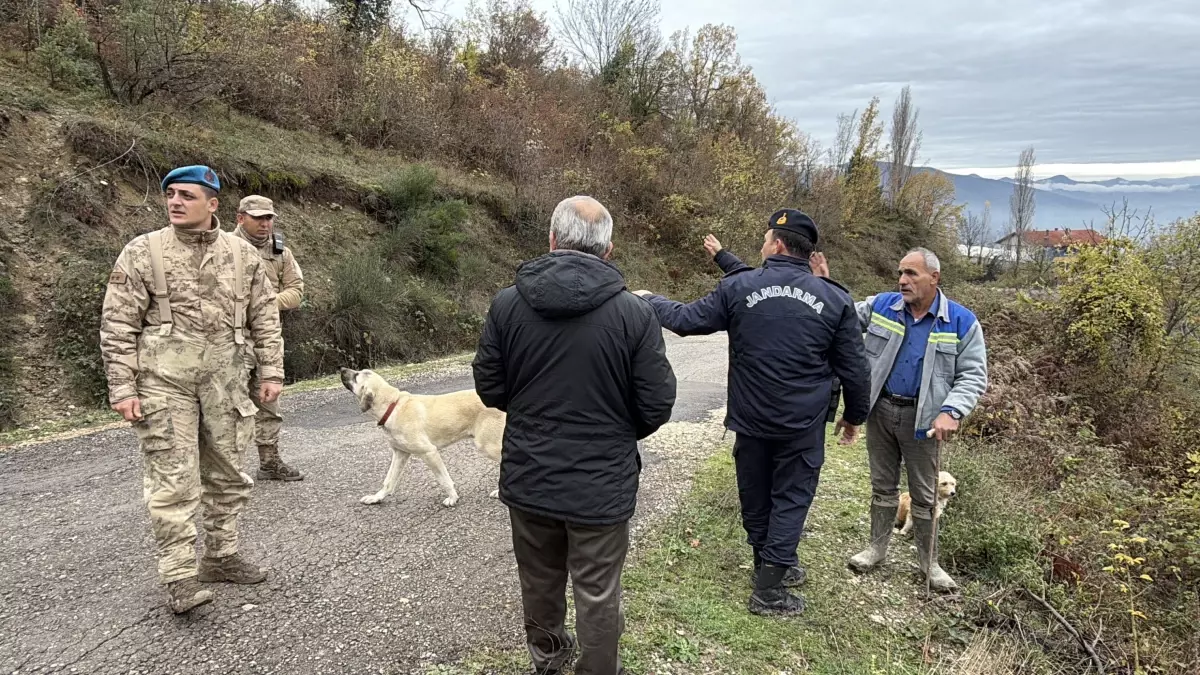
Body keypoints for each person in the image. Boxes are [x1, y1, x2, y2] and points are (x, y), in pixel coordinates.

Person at [472, 195, 676, 675]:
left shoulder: (506, 304)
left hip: (529, 475)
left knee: (539, 581)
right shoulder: (634, 314)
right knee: (599, 589)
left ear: (551, 239)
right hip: (600, 485)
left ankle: (548, 661)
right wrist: (615, 433)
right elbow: (656, 404)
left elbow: (490, 387)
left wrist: (529, 417)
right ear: (607, 250)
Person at [634, 209, 871, 617]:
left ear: (778, 244)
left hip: (752, 420)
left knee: (757, 494)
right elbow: (855, 367)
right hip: (802, 423)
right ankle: (770, 586)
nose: (763, 246)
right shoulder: (835, 298)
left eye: (765, 240)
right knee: (791, 498)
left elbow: (685, 321)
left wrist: (647, 300)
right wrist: (855, 416)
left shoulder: (740, 288)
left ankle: (768, 569)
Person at [99, 165, 285, 614]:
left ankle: (221, 556)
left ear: (213, 204)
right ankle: (180, 576)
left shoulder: (242, 256)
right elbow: (118, 323)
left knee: (228, 473)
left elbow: (265, 317)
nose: (175, 202)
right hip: (164, 383)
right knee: (173, 479)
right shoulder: (143, 252)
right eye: (170, 195)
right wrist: (123, 387)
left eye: (186, 195)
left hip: (227, 380)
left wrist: (272, 373)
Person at [822, 247, 987, 592]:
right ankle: (876, 549)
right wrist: (824, 285)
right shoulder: (883, 306)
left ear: (934, 278)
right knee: (882, 486)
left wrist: (951, 411)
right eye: (900, 273)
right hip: (880, 409)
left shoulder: (961, 321)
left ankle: (930, 564)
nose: (902, 280)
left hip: (925, 420)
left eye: (911, 273)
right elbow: (840, 317)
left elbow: (973, 375)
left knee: (926, 496)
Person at [233, 195, 305, 481]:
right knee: (231, 407)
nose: (265, 223)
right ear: (240, 218)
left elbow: (296, 290)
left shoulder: (280, 252)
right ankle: (228, 469)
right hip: (232, 339)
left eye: (269, 218)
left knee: (269, 402)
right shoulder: (223, 247)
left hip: (268, 337)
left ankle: (269, 461)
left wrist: (265, 303)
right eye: (258, 217)